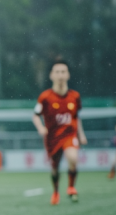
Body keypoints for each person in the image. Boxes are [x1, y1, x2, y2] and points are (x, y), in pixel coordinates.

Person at [32, 58, 87, 205]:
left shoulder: (75, 96)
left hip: (69, 134)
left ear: (68, 75)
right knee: (55, 168)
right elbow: (35, 115)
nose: (60, 75)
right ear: (51, 75)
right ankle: (56, 192)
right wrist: (41, 128)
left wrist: (81, 134)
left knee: (73, 159)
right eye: (57, 72)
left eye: (63, 72)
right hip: (52, 137)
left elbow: (77, 117)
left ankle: (71, 187)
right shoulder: (45, 97)